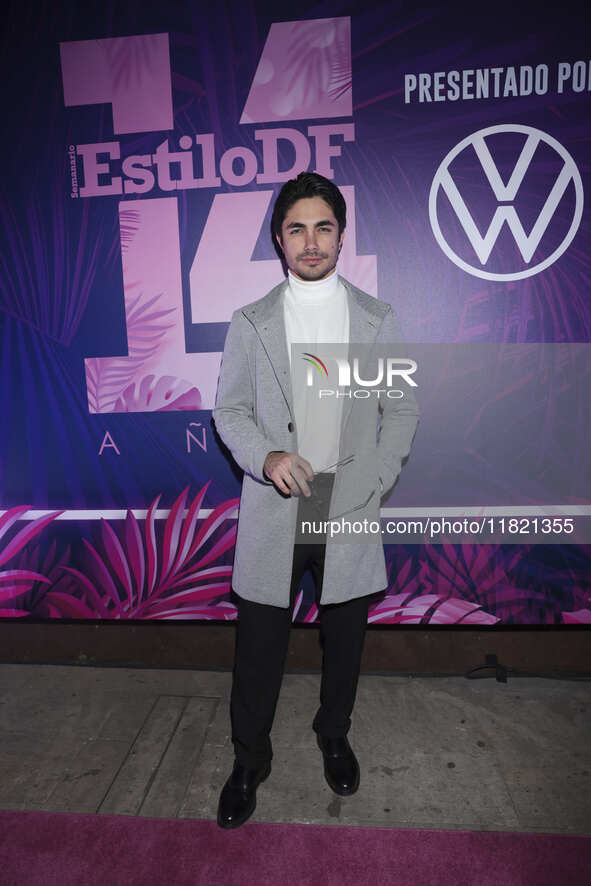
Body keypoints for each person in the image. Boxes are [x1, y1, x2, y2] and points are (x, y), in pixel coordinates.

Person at [212, 172, 419, 829]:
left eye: (322, 227)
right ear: (279, 238)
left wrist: (373, 480)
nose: (310, 241)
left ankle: (334, 733)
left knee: (345, 641)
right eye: (296, 228)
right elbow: (230, 410)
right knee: (257, 651)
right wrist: (266, 457)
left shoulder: (375, 319)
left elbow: (402, 409)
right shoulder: (250, 322)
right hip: (277, 507)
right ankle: (249, 761)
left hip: (347, 508)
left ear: (339, 235)